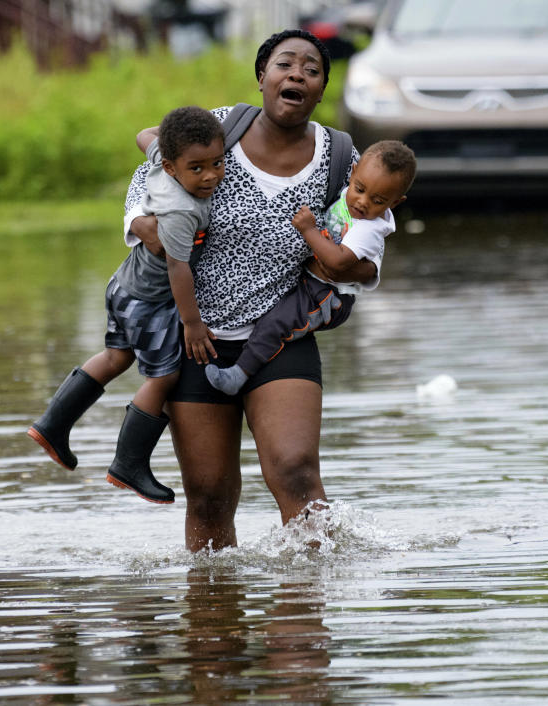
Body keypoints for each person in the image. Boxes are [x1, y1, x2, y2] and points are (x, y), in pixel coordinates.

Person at [125, 29, 376, 551]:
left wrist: (360, 267)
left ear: (320, 90)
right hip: (196, 335)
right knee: (209, 494)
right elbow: (149, 173)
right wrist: (143, 225)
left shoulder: (341, 158)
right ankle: (213, 619)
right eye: (285, 64)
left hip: (281, 333)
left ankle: (308, 614)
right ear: (262, 76)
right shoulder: (219, 128)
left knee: (296, 472)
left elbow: (369, 226)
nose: (297, 74)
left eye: (312, 69)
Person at [27, 106, 225, 505]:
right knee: (164, 377)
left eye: (217, 163)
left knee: (116, 356)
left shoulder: (160, 159)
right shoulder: (181, 210)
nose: (210, 176)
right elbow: (177, 267)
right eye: (197, 168)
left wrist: (170, 138)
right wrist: (192, 324)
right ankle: (129, 463)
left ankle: (52, 424)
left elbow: (143, 134)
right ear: (171, 168)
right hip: (150, 301)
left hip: (122, 287)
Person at [205, 140, 416, 394]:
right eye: (359, 189)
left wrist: (308, 230)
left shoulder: (369, 228)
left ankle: (238, 376)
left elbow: (337, 262)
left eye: (378, 200)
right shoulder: (347, 196)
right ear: (353, 172)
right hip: (311, 283)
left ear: (394, 203)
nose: (362, 202)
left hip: (326, 296)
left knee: (276, 323)